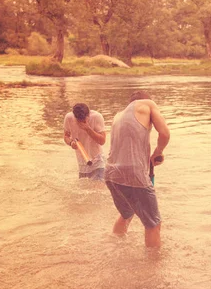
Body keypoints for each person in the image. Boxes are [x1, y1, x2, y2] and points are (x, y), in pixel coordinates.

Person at [105, 90, 170, 247]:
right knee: (153, 223)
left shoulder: (118, 115)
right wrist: (158, 152)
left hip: (110, 173)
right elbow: (165, 134)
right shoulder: (148, 104)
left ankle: (116, 247)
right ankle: (152, 268)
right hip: (133, 173)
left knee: (126, 213)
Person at [63, 103, 106, 180]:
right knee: (84, 191)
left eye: (83, 120)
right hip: (82, 162)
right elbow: (66, 136)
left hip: (98, 161)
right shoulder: (69, 118)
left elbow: (102, 141)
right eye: (78, 120)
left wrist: (88, 129)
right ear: (74, 116)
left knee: (98, 189)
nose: (81, 122)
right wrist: (71, 143)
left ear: (88, 115)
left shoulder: (97, 117)